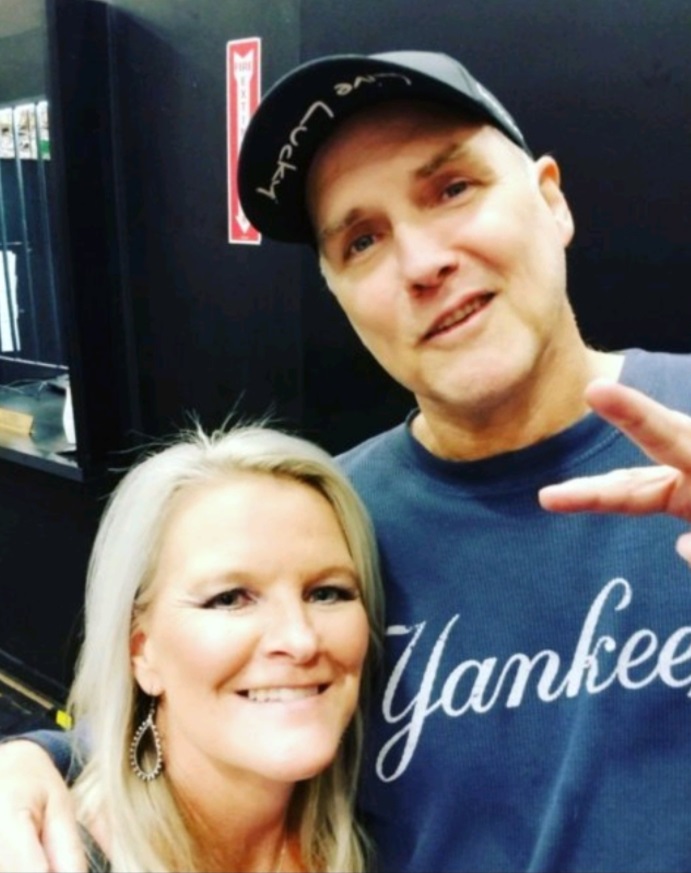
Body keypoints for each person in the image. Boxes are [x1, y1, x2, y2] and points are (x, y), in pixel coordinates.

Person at [1, 49, 691, 872]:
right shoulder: (333, 528)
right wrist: (39, 758)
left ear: (550, 197)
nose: (422, 261)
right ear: (339, 293)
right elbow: (199, 712)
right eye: (362, 239)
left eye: (452, 189)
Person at [6, 423, 385, 872]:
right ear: (141, 652)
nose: (299, 640)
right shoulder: (48, 855)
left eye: (327, 593)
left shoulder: (374, 822)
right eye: (229, 598)